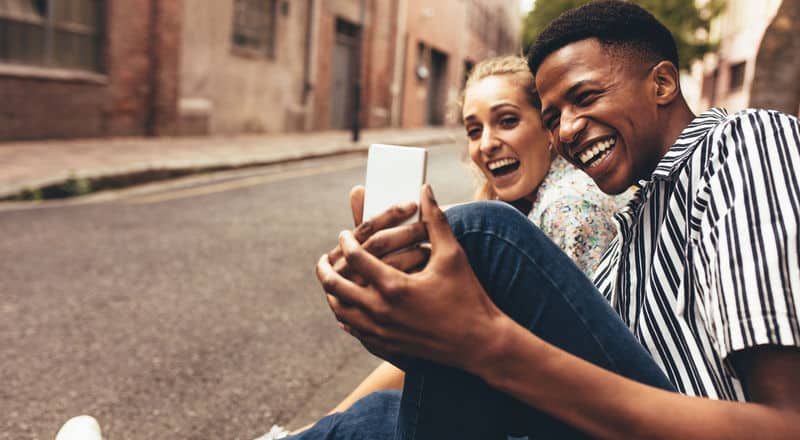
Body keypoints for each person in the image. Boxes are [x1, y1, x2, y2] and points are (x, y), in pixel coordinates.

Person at [309, 1, 800, 439]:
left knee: (484, 233)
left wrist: (484, 343)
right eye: (552, 116)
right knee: (373, 415)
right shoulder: (630, 230)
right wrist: (409, 330)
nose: (565, 129)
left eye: (585, 98)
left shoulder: (744, 142)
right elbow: (551, 380)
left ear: (663, 83)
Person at [261, 55, 625, 439]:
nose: (486, 144)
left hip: (569, 418)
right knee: (367, 413)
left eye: (507, 121)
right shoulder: (531, 207)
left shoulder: (568, 207)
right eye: (473, 130)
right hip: (526, 403)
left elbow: (576, 372)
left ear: (548, 128)